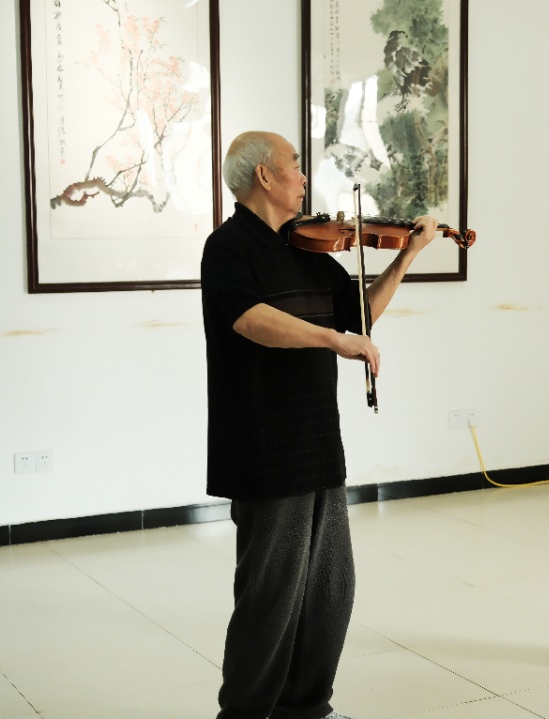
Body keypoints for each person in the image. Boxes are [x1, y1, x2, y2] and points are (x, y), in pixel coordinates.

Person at [201, 130, 437, 719]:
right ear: (264, 176)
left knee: (331, 587)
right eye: (295, 166)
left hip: (316, 441)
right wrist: (332, 339)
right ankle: (245, 712)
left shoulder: (307, 248)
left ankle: (306, 706)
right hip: (263, 445)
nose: (304, 178)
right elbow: (249, 319)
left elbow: (359, 314)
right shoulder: (227, 247)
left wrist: (407, 255)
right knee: (271, 595)